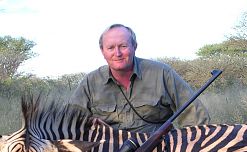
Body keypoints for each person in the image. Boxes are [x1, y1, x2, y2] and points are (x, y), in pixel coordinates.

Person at [69, 24, 210, 133]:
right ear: (102, 51)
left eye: (123, 46)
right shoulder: (90, 82)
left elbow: (196, 117)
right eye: (111, 48)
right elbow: (70, 122)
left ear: (134, 46)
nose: (117, 53)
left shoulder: (161, 73)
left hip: (160, 151)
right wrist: (88, 123)